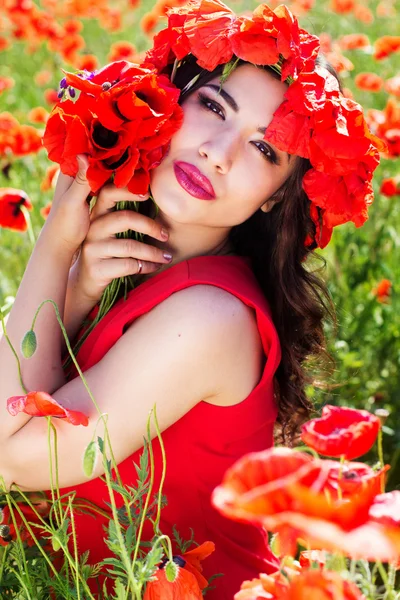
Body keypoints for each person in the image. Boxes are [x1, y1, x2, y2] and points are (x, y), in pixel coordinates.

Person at [0, 1, 382, 597]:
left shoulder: (209, 316)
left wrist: (54, 244)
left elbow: (16, 461)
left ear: (276, 199)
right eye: (212, 107)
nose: (217, 152)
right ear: (165, 104)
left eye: (263, 150)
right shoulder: (128, 266)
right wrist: (74, 289)